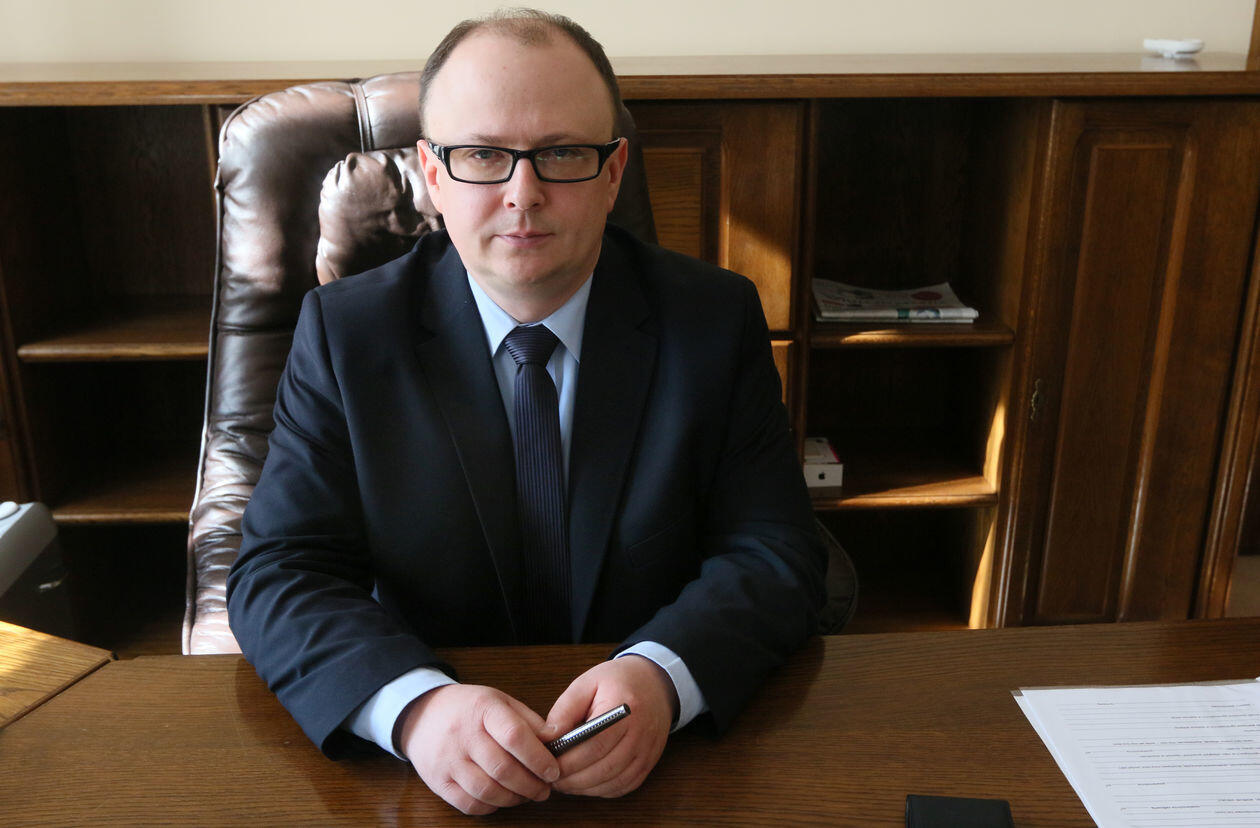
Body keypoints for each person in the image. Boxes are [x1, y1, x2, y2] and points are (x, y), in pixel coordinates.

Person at [227, 8, 827, 816]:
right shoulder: (347, 334)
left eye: (563, 154)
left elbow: (775, 550)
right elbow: (279, 571)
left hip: (655, 768)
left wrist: (663, 676)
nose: (523, 195)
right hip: (428, 774)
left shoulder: (712, 322)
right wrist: (414, 707)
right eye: (482, 155)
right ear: (432, 173)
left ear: (613, 173)